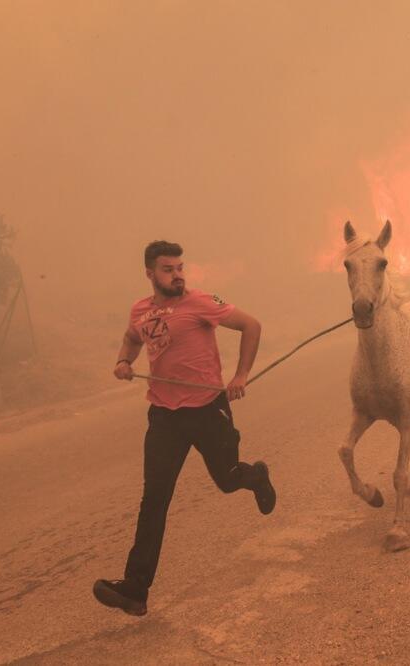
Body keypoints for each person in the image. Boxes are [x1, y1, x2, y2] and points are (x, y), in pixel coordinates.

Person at [93, 240, 275, 616]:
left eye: (179, 267)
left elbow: (250, 326)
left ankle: (255, 476)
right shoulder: (140, 311)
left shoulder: (201, 302)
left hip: (208, 409)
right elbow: (131, 339)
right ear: (149, 273)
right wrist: (124, 361)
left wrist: (241, 375)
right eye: (167, 269)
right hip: (165, 415)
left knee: (226, 479)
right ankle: (135, 589)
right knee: (154, 499)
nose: (177, 274)